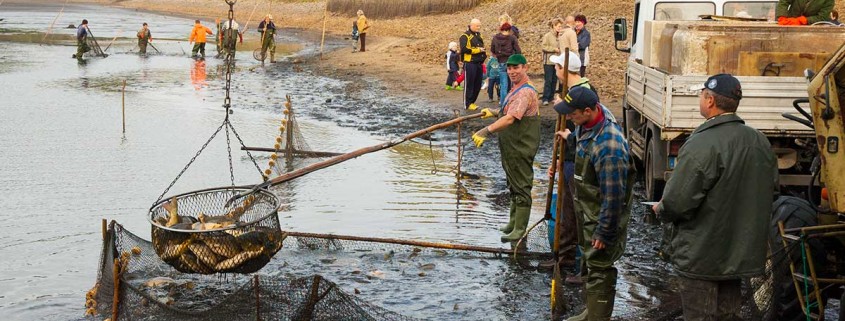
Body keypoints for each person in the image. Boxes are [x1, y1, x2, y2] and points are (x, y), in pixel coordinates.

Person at [652, 74, 778, 321]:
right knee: (728, 315)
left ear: (709, 100)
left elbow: (677, 202)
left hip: (701, 256)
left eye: (701, 95)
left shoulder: (702, 143)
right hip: (738, 257)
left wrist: (661, 209)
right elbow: (770, 192)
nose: (700, 99)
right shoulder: (760, 142)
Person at [553, 85, 634, 321]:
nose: (569, 117)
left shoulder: (609, 147)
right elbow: (582, 139)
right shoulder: (587, 123)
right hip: (588, 211)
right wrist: (570, 138)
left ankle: (598, 317)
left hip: (602, 216)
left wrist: (605, 231)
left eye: (572, 113)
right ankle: (591, 311)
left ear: (588, 111)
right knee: (590, 262)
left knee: (600, 268)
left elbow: (614, 196)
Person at [539, 53, 597, 284]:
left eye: (556, 66)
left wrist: (570, 137)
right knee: (566, 211)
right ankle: (563, 258)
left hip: (578, 161)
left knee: (578, 212)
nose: (554, 70)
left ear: (564, 68)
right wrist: (556, 161)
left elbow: (586, 131)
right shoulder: (569, 92)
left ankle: (582, 265)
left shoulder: (584, 92)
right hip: (568, 159)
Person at [470, 54, 541, 243]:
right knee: (513, 184)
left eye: (516, 68)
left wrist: (485, 131)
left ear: (525, 68)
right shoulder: (515, 88)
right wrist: (494, 112)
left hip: (521, 146)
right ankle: (512, 223)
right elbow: (509, 111)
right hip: (511, 146)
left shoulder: (525, 92)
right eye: (509, 68)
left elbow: (510, 118)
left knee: (521, 186)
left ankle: (519, 229)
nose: (512, 72)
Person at [491, 23, 521, 107]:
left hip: (501, 61)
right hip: (511, 62)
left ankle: (503, 102)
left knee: (503, 84)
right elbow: (518, 50)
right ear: (509, 30)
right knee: (512, 83)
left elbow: (492, 49)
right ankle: (511, 101)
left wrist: (498, 55)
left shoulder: (495, 38)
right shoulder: (512, 38)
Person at [459, 18, 486, 111]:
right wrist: (478, 50)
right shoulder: (465, 36)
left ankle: (472, 102)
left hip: (479, 63)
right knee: (469, 84)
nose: (479, 27)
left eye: (479, 26)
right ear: (471, 25)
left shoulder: (479, 35)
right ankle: (467, 104)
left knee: (477, 84)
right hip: (470, 63)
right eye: (477, 26)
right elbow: (464, 49)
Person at [541, 18, 562, 105]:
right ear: (554, 26)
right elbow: (544, 47)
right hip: (548, 62)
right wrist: (554, 49)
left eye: (561, 26)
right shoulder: (547, 36)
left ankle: (551, 97)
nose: (560, 28)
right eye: (559, 26)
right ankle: (545, 98)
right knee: (548, 80)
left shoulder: (560, 36)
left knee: (554, 80)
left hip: (557, 62)